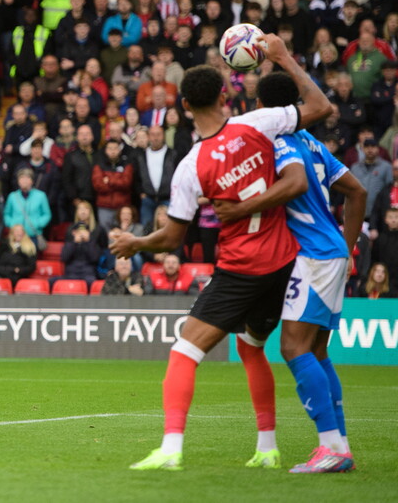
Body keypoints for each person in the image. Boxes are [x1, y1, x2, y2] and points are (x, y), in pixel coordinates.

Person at [111, 33, 333, 471]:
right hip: (285, 262)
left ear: (185, 108)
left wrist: (136, 242)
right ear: (225, 94)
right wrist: (285, 57)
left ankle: (171, 449)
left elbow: (172, 238)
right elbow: (321, 107)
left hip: (240, 268)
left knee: (185, 351)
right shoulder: (259, 123)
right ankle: (268, 448)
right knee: (252, 347)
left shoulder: (191, 164)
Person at [215, 72, 370, 472]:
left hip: (314, 254)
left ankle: (332, 448)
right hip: (333, 249)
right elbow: (358, 192)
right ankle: (338, 446)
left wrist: (242, 208)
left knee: (293, 348)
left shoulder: (279, 140)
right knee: (317, 350)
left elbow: (295, 184)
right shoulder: (314, 142)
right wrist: (348, 248)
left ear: (265, 108)